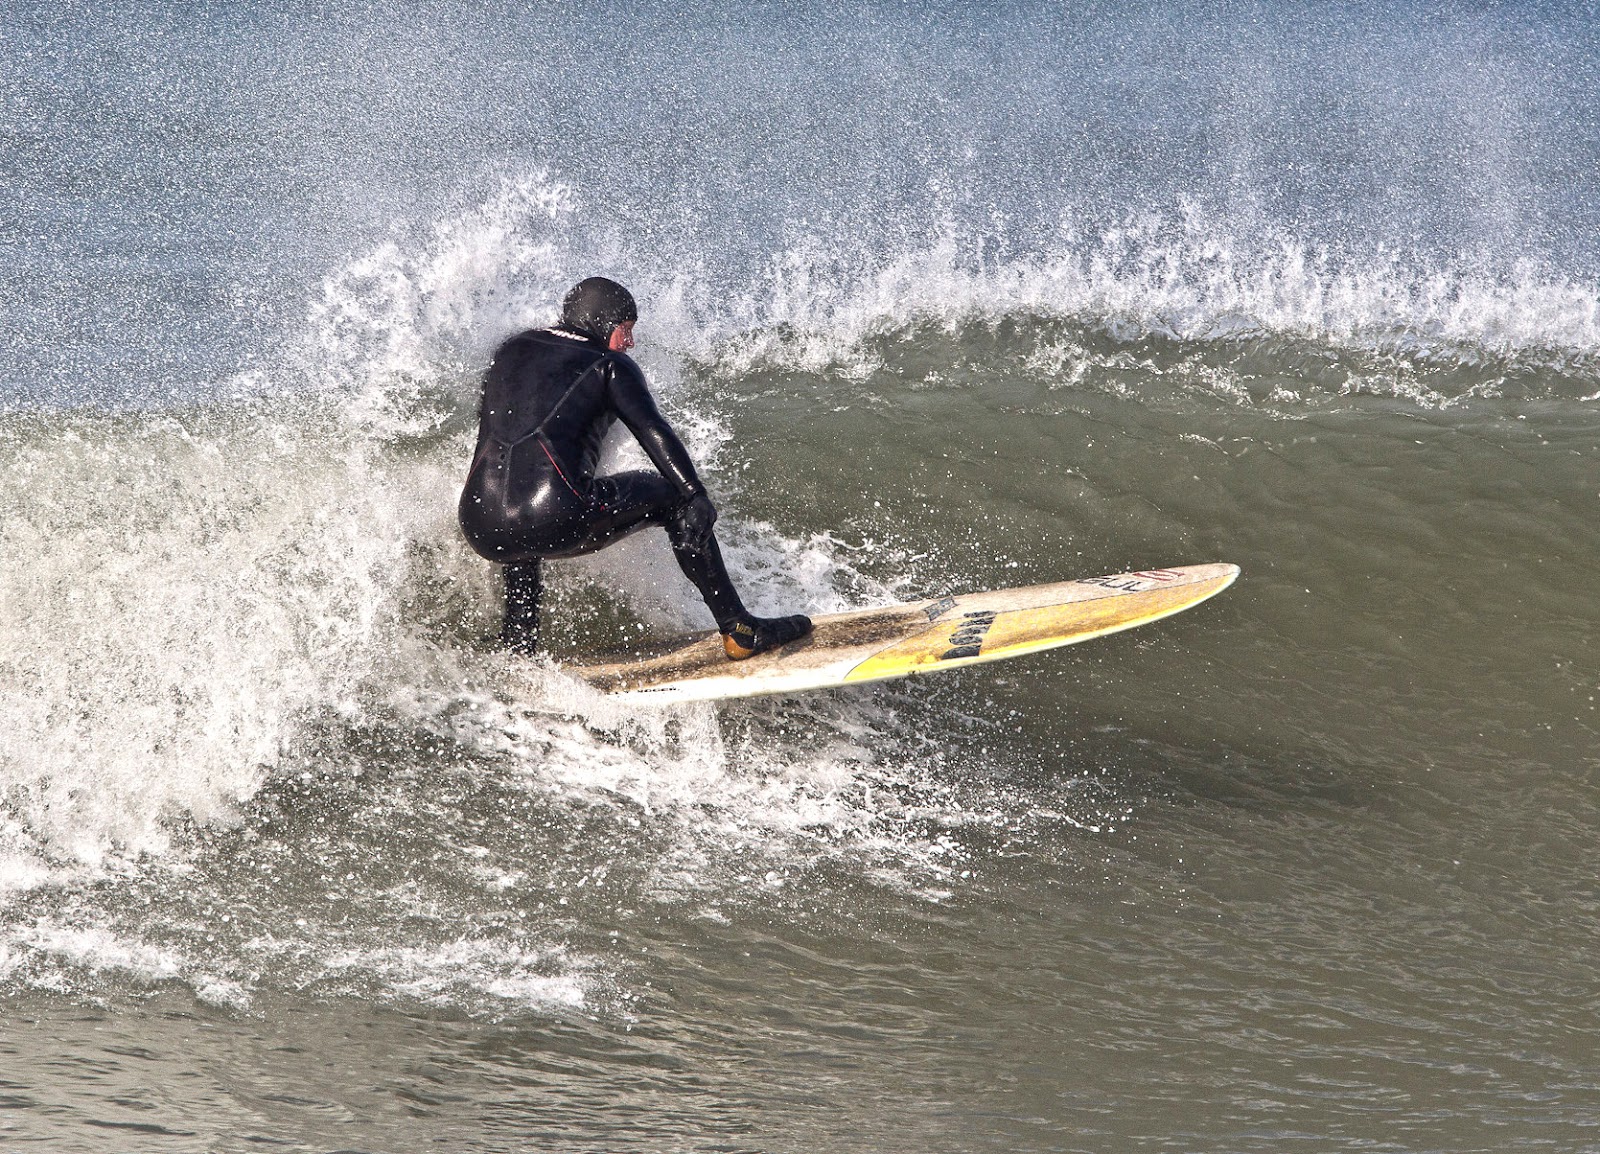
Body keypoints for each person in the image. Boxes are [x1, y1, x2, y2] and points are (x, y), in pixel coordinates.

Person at [458, 276, 813, 660]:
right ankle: (740, 629)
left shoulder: (511, 349)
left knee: (520, 515)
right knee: (675, 500)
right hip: (557, 516)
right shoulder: (609, 364)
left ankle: (518, 645)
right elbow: (651, 429)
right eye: (625, 329)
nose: (630, 343)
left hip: (478, 521)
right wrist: (694, 493)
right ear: (601, 321)